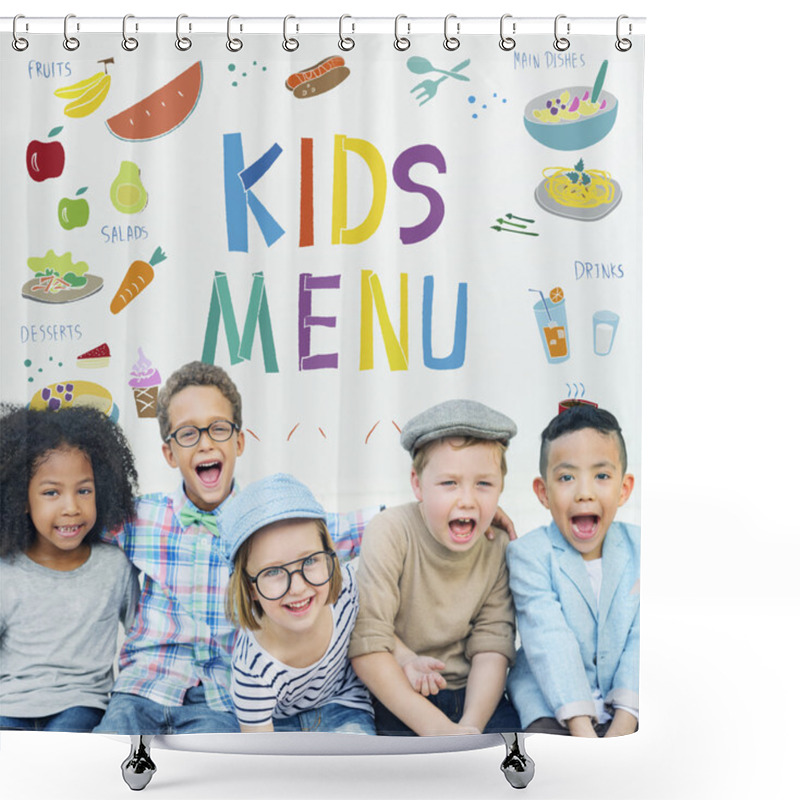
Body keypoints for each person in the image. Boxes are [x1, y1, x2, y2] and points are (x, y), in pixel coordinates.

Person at [95, 361, 377, 734]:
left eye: (218, 429)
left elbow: (353, 528)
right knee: (105, 768)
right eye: (188, 434)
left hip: (218, 700)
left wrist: (439, 512)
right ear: (169, 454)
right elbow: (71, 518)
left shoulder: (263, 526)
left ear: (238, 442)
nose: (206, 442)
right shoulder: (142, 516)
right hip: (141, 688)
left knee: (220, 780)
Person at [349, 399, 520, 736]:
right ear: (417, 484)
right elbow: (368, 645)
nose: (467, 499)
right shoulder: (391, 531)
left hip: (476, 696)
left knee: (512, 762)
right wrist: (441, 732)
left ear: (501, 485)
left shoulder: (497, 545)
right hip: (398, 692)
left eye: (483, 484)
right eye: (449, 483)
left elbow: (493, 646)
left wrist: (469, 727)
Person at [0, 404, 139, 732]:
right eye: (51, 493)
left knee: (61, 756)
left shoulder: (114, 566)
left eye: (84, 490)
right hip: (9, 703)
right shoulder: (7, 572)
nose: (71, 508)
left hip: (82, 704)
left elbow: (141, 635)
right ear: (22, 498)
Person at [506, 403, 639, 737]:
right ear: (543, 492)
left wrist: (623, 726)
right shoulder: (529, 554)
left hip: (625, 705)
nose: (584, 493)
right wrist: (585, 736)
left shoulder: (642, 548)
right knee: (555, 765)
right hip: (552, 706)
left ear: (623, 489)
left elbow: (641, 641)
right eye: (566, 477)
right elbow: (550, 640)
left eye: (602, 476)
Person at [220, 473, 374, 734]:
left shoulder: (347, 592)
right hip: (280, 725)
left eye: (310, 560)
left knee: (358, 771)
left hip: (344, 704)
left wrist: (405, 658)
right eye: (273, 572)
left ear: (329, 556)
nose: (298, 587)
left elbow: (379, 632)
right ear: (250, 588)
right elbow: (263, 756)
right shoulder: (252, 670)